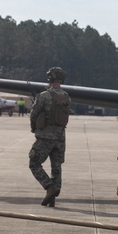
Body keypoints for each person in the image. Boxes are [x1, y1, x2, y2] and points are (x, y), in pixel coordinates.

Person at [28, 67, 70, 207]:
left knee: (34, 162)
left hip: (45, 137)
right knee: (56, 167)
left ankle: (48, 187)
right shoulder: (66, 96)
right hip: (60, 138)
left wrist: (34, 128)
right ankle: (53, 196)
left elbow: (34, 114)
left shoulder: (44, 96)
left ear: (50, 78)